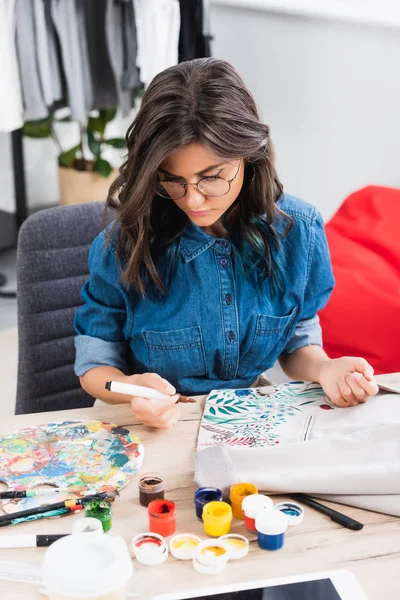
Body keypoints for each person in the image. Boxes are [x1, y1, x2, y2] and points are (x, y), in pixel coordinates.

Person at [74, 58, 379, 429]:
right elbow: (94, 368)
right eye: (172, 180)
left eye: (211, 177)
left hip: (242, 418)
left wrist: (325, 369)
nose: (192, 200)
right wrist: (132, 388)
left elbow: (297, 339)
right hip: (142, 419)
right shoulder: (123, 245)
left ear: (250, 157)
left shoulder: (299, 231)